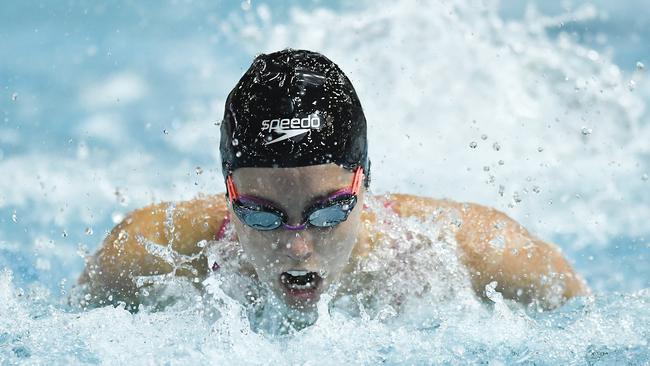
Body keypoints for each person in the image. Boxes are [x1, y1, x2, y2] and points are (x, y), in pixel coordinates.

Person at [78, 49, 589, 324]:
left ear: (364, 183)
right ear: (228, 193)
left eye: (328, 212)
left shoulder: (480, 252)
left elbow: (593, 326)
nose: (297, 246)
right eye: (261, 214)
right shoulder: (148, 254)